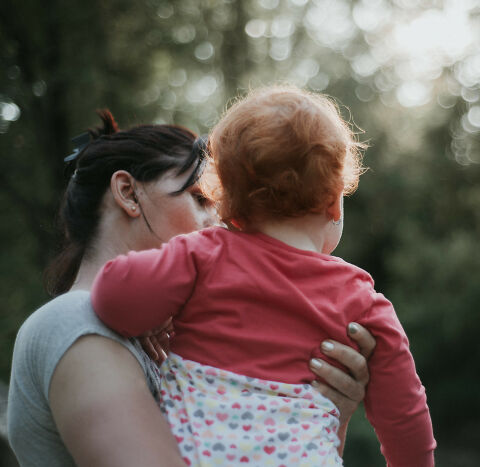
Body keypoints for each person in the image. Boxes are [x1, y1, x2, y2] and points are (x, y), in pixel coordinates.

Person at [7, 110, 376, 467]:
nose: (220, 224)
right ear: (128, 193)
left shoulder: (172, 342)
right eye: (200, 200)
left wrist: (331, 409)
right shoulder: (76, 322)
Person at [92, 86, 436, 466]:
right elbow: (405, 419)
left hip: (199, 455)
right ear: (334, 201)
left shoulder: (202, 254)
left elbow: (112, 299)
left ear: (230, 208)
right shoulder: (363, 300)